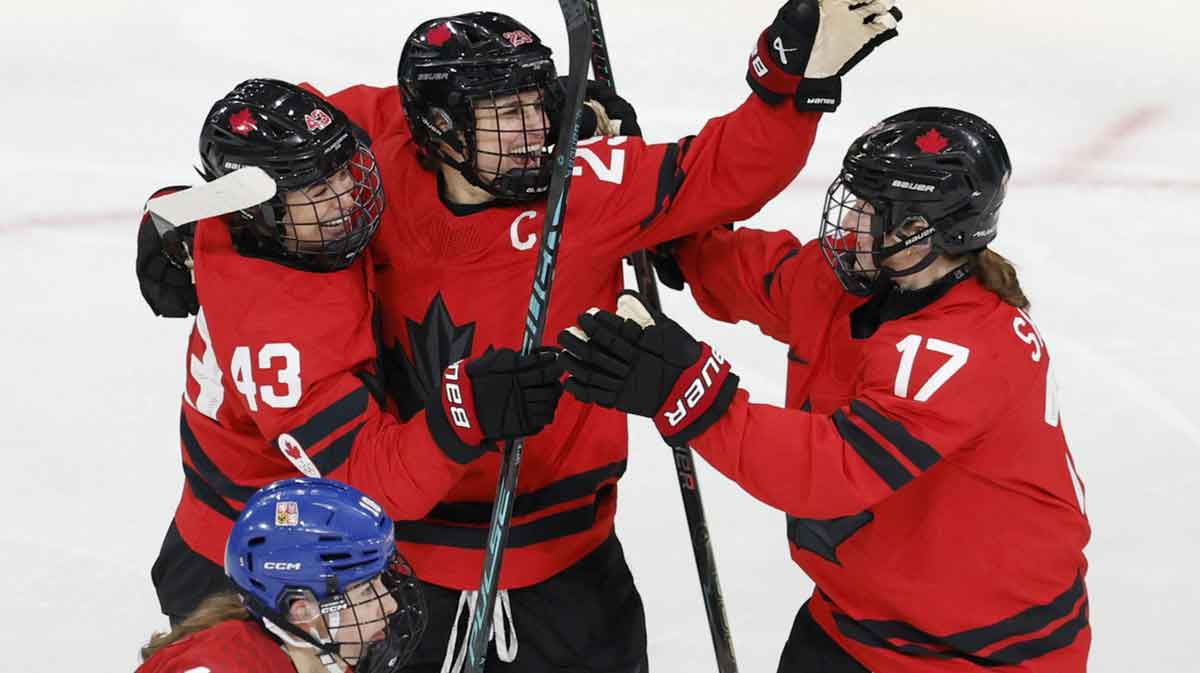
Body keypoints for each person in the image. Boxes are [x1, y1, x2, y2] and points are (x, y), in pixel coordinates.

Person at [313, 5, 902, 671]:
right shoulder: (372, 187)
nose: (537, 131)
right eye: (508, 114)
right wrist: (186, 222)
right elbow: (287, 140)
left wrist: (790, 82)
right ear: (440, 127)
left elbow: (725, 170)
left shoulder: (585, 183)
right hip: (402, 580)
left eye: (541, 104)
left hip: (571, 571)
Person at [557, 108, 1091, 672]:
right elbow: (752, 273)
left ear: (921, 230)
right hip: (853, 626)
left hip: (982, 655)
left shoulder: (965, 347)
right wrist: (655, 201)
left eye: (872, 211)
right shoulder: (861, 284)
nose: (849, 221)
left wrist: (685, 390)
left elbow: (832, 470)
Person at [145, 78, 564, 624]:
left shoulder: (276, 205)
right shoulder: (276, 332)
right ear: (257, 209)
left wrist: (511, 110)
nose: (346, 196)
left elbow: (370, 110)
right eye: (319, 193)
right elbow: (371, 484)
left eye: (343, 171)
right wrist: (469, 411)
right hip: (248, 574)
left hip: (298, 546)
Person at [137, 477, 428, 673]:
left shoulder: (317, 653)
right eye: (366, 591)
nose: (391, 604)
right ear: (301, 610)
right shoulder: (219, 666)